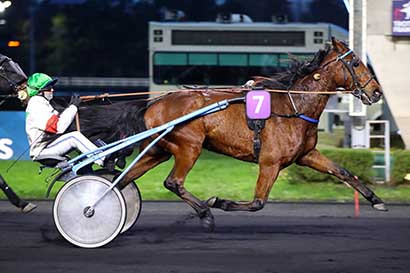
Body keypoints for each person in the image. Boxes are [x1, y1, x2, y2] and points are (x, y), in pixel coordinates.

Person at [25, 73, 104, 165]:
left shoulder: (42, 103)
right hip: (43, 151)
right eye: (49, 88)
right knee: (74, 137)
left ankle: (102, 155)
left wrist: (71, 107)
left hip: (49, 145)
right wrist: (73, 107)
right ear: (38, 91)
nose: (52, 90)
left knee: (84, 133)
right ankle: (102, 158)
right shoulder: (36, 104)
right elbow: (58, 127)